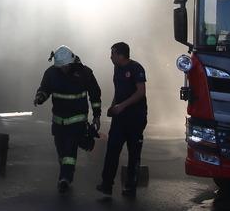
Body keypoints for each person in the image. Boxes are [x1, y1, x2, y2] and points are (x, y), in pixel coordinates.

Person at [34, 45, 102, 193]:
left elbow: (95, 94)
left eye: (65, 66)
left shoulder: (84, 73)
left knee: (70, 149)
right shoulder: (52, 72)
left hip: (77, 121)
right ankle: (66, 171)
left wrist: (97, 115)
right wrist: (40, 97)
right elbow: (45, 88)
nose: (63, 69)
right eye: (60, 66)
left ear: (71, 62)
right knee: (61, 151)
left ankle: (65, 178)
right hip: (58, 121)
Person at [97, 42, 146, 197]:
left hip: (135, 117)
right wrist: (113, 107)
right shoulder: (117, 68)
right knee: (112, 149)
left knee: (134, 153)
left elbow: (141, 92)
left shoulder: (136, 68)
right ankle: (106, 184)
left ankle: (130, 186)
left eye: (112, 54)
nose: (110, 57)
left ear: (120, 55)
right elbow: (118, 91)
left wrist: (123, 106)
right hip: (120, 118)